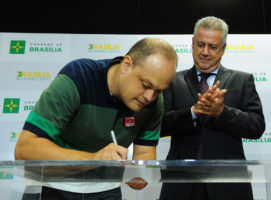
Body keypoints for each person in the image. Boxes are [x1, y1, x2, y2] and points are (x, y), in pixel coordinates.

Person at [14, 37, 178, 200]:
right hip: (52, 186)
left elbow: (144, 153)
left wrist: (138, 176)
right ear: (126, 65)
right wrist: (94, 159)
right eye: (145, 85)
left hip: (108, 190)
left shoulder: (155, 102)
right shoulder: (78, 78)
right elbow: (24, 149)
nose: (149, 97)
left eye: (158, 90)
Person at [159, 16, 265, 200]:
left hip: (228, 185)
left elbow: (256, 127)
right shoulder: (172, 80)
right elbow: (159, 126)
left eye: (213, 46)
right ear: (192, 43)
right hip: (181, 185)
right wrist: (192, 112)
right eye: (200, 44)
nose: (205, 52)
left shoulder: (242, 80)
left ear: (223, 48)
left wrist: (222, 113)